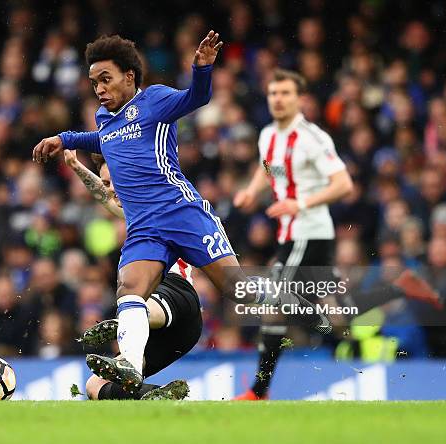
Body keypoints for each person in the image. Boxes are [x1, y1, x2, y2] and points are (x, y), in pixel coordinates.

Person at [33, 32, 330, 392]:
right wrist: (65, 139)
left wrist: (201, 69)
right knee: (129, 288)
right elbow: (104, 139)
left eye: (105, 79)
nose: (99, 89)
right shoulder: (105, 118)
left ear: (129, 76)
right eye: (94, 82)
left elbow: (197, 97)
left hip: (181, 212)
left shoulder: (156, 101)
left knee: (239, 291)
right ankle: (129, 361)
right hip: (144, 226)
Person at [233, 68, 442, 400]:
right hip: (293, 234)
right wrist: (251, 191)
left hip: (307, 232)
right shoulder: (268, 135)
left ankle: (258, 391)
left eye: (285, 93)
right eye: (273, 93)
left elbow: (344, 184)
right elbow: (269, 168)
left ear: (300, 99)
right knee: (336, 315)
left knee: (273, 304)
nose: (278, 99)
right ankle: (396, 286)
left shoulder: (313, 138)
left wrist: (299, 203)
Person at [64, 150, 198, 400]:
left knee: (135, 302)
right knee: (95, 386)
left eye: (113, 181)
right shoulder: (135, 214)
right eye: (106, 182)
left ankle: (133, 319)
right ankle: (160, 397)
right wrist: (76, 166)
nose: (110, 190)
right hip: (177, 337)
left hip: (175, 293)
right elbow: (104, 196)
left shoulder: (161, 206)